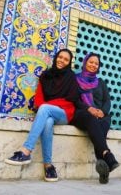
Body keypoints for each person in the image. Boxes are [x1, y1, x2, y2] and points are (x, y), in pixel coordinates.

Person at [5, 48, 79, 182]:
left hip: (64, 112)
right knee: (48, 122)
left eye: (66, 59)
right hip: (48, 112)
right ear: (56, 57)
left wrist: (48, 105)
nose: (62, 60)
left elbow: (72, 98)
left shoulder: (71, 76)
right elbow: (39, 98)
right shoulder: (46, 75)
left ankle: (26, 150)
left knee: (45, 108)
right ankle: (48, 166)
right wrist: (44, 106)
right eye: (60, 57)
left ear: (69, 63)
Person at [71, 52, 119, 184]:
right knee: (92, 119)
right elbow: (74, 99)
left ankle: (103, 164)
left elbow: (107, 101)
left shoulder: (101, 82)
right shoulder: (75, 79)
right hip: (82, 113)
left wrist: (102, 111)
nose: (93, 65)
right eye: (91, 62)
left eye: (96, 63)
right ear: (85, 62)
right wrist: (89, 109)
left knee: (102, 123)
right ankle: (107, 155)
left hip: (100, 115)